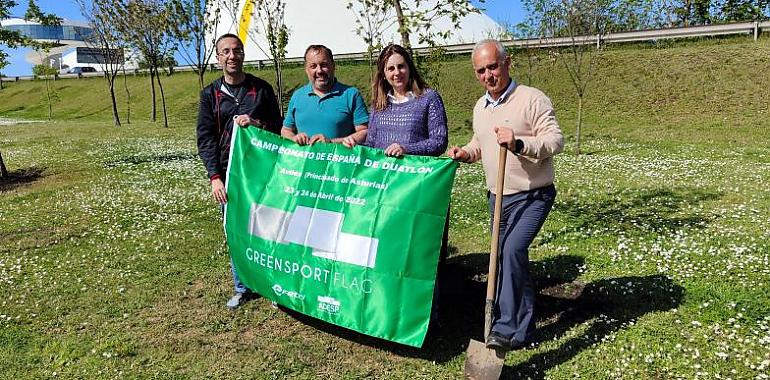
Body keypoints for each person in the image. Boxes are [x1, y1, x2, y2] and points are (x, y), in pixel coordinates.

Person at [447, 39, 564, 350]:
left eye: (493, 66)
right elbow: (480, 141)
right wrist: (466, 152)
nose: (489, 75)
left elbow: (554, 140)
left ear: (507, 63)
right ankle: (524, 329)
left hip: (532, 195)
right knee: (508, 258)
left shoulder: (531, 99)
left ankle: (503, 327)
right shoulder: (480, 107)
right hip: (498, 198)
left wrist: (520, 144)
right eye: (481, 70)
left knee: (510, 251)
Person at [350, 43, 448, 325]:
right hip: (386, 193)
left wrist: (406, 148)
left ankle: (427, 317)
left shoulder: (429, 98)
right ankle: (387, 313)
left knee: (421, 254)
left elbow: (439, 141)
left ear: (410, 67)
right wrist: (352, 148)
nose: (397, 73)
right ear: (383, 73)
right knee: (387, 252)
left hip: (419, 193)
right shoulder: (379, 107)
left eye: (401, 66)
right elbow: (370, 144)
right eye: (390, 68)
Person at [196, 33, 282, 310]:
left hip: (261, 172)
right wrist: (214, 177)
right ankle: (242, 286)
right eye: (226, 51)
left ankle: (272, 285)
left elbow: (279, 128)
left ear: (243, 54)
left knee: (269, 228)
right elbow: (205, 137)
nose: (232, 56)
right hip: (229, 175)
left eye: (237, 50)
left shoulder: (262, 89)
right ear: (218, 57)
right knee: (236, 230)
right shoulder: (210, 94)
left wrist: (256, 122)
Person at [281, 45, 369, 146]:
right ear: (306, 69)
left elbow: (365, 132)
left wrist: (332, 143)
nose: (319, 71)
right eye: (313, 66)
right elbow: (286, 130)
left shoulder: (351, 95)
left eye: (324, 65)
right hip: (304, 161)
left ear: (333, 66)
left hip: (338, 160)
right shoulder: (297, 96)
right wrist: (293, 138)